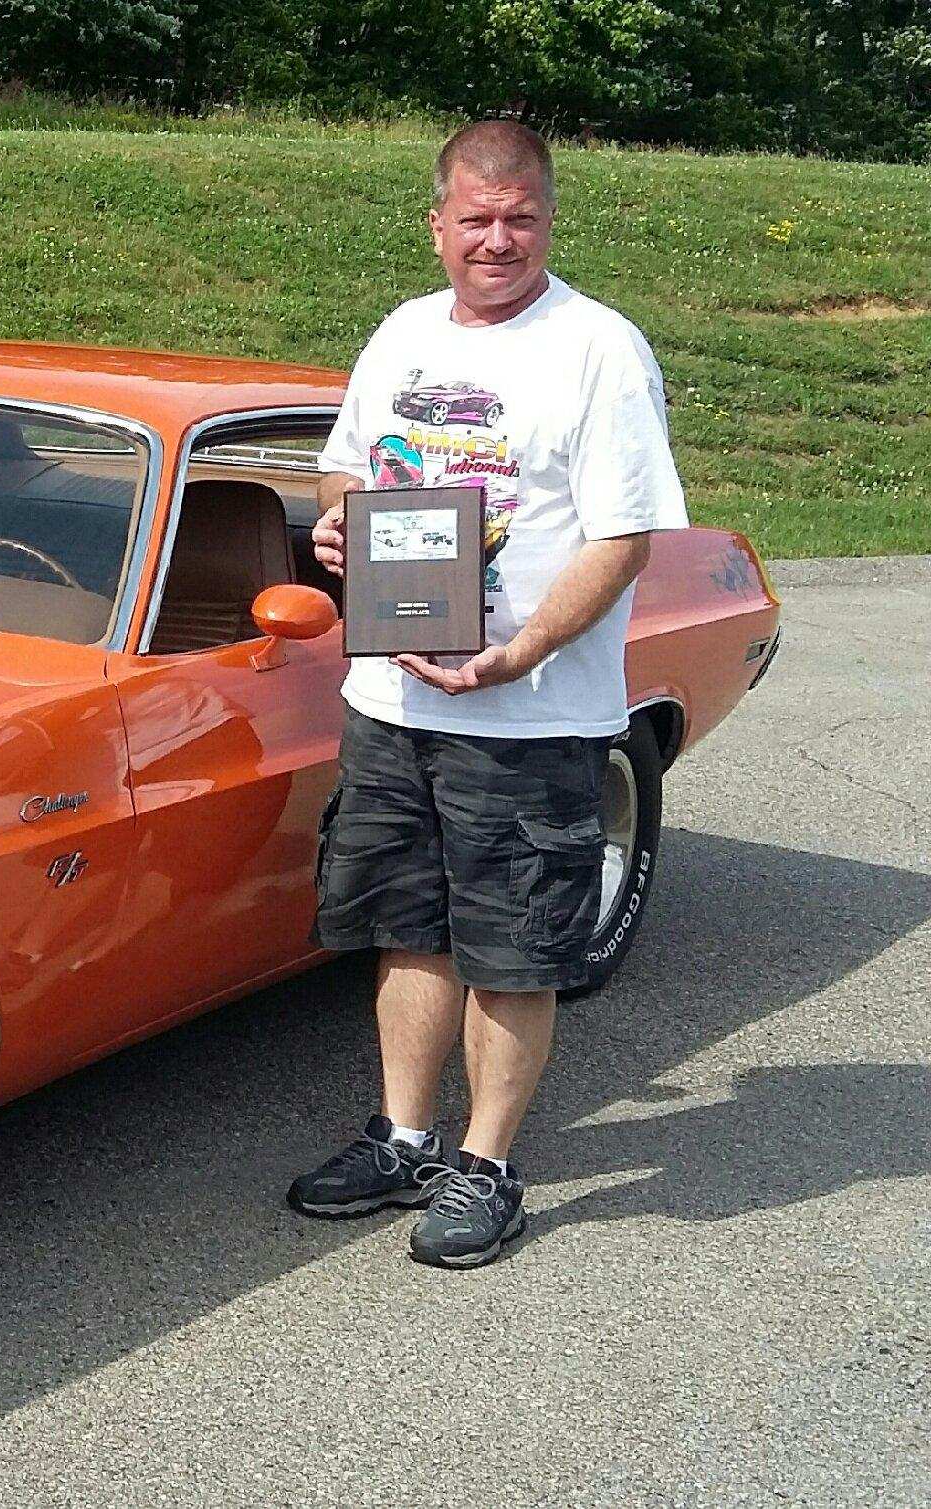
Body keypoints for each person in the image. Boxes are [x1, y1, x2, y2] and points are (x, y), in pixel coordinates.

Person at [287, 120, 690, 1268]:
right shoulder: (404, 333)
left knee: (513, 948)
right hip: (393, 703)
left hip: (527, 715)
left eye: (519, 218)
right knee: (406, 928)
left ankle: (486, 1165)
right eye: (475, 219)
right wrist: (339, 519)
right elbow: (346, 464)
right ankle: (404, 1139)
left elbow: (622, 539)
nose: (496, 240)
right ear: (438, 225)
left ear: (548, 221)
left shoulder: (598, 348)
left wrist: (521, 654)